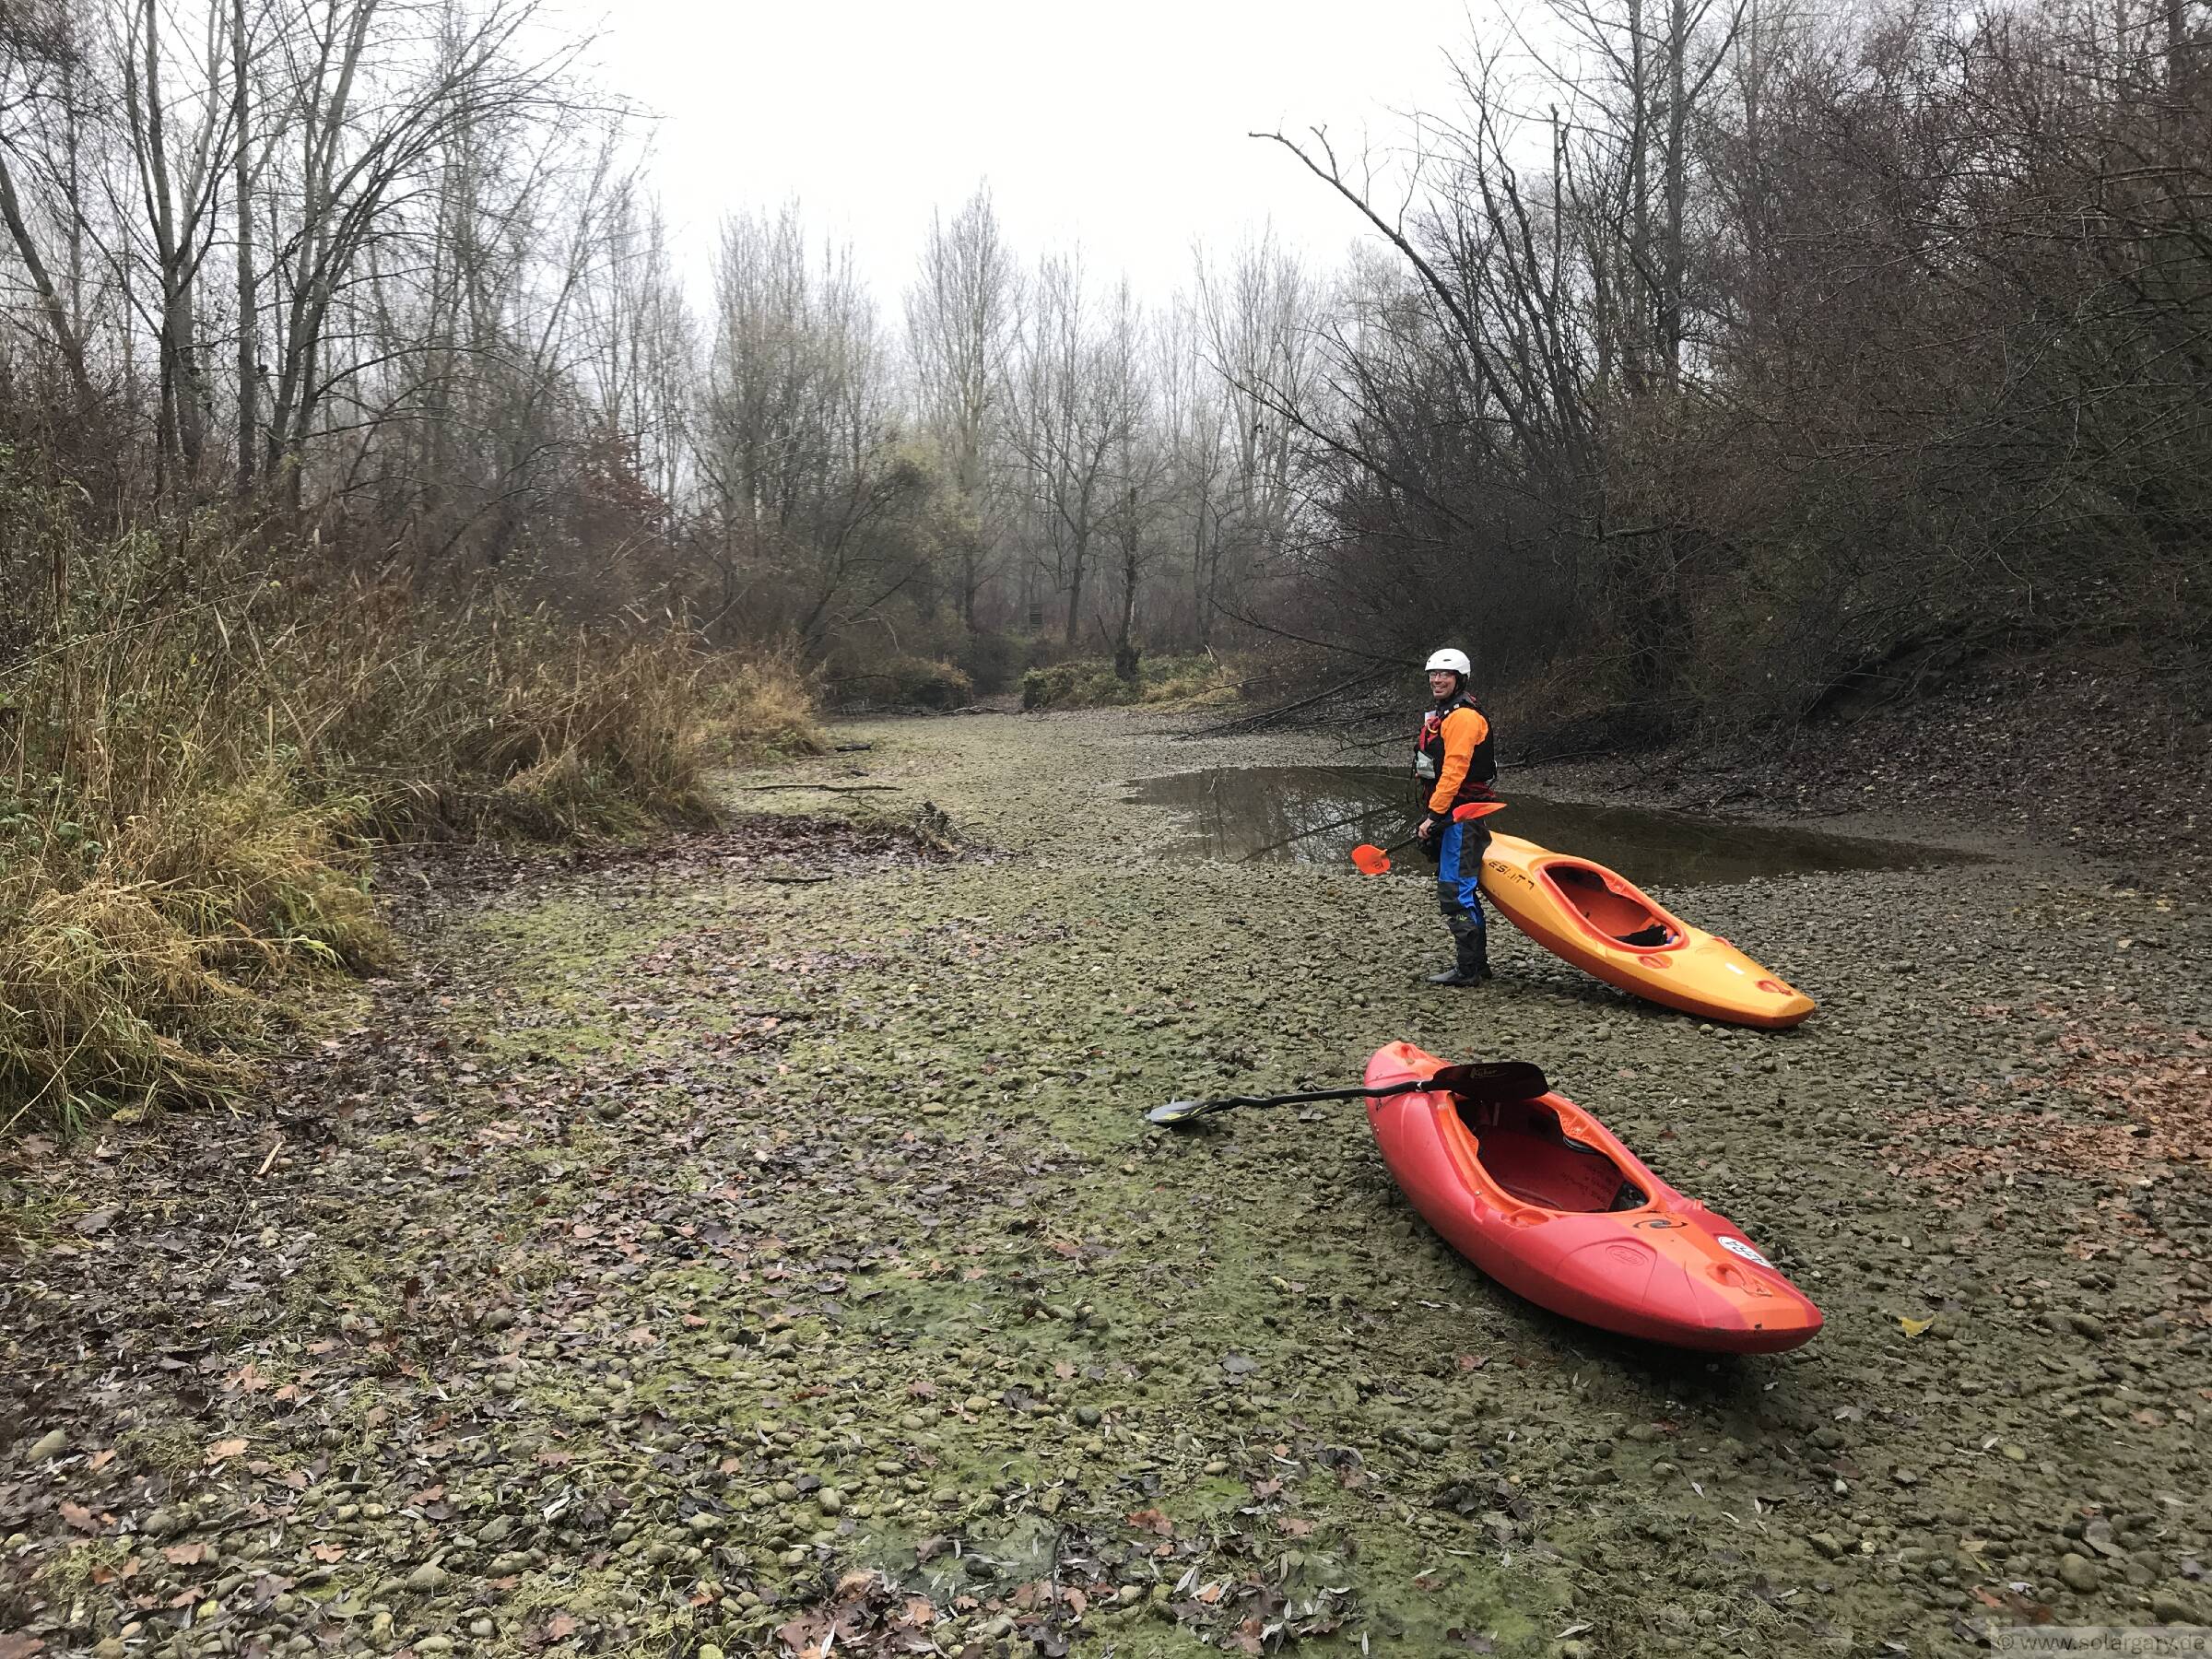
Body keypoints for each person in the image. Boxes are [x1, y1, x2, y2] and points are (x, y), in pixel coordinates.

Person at [1412, 648, 1498, 986]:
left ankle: (1469, 969)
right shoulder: (1443, 715)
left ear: (1460, 679)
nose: (1437, 680)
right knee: (1460, 889)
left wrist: (1433, 816)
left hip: (1461, 813)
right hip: (1454, 811)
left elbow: (1455, 770)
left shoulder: (1462, 717)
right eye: (1433, 674)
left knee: (1455, 890)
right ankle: (1476, 964)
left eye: (1444, 675)